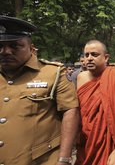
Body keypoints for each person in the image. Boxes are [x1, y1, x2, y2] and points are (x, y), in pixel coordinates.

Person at [0, 15, 79, 165]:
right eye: (0, 46)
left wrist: (64, 159)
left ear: (31, 48)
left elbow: (71, 112)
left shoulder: (53, 73)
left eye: (14, 46)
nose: (6, 51)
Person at [75, 40, 115, 165]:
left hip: (113, 144)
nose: (89, 58)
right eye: (86, 55)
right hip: (87, 145)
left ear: (106, 57)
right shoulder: (80, 78)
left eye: (94, 54)